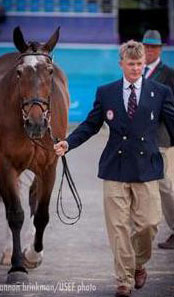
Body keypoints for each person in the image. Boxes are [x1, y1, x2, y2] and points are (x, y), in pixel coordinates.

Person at [54, 40, 174, 297]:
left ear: (144, 64)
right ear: (121, 64)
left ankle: (138, 263)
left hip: (147, 169)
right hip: (115, 169)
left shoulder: (160, 92)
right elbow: (90, 124)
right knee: (118, 228)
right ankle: (124, 280)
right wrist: (68, 142)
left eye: (139, 64)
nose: (135, 68)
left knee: (149, 224)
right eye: (131, 64)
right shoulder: (106, 92)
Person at [142, 29, 174, 249]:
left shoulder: (169, 75)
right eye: (147, 46)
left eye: (153, 47)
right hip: (138, 140)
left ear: (160, 49)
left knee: (164, 186)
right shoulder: (137, 71)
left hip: (160, 138)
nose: (149, 50)